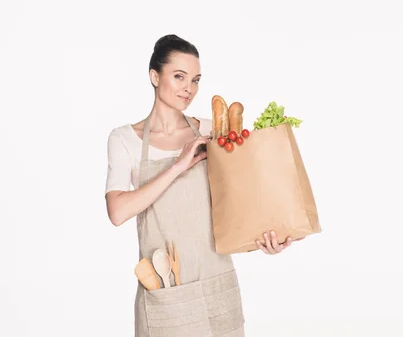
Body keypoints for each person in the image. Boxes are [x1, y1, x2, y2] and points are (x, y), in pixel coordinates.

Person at [104, 34, 300, 336]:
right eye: (179, 76)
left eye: (195, 80)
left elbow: (240, 200)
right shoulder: (125, 140)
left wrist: (266, 236)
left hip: (218, 284)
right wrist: (179, 165)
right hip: (167, 292)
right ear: (154, 76)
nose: (189, 89)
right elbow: (117, 211)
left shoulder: (210, 131)